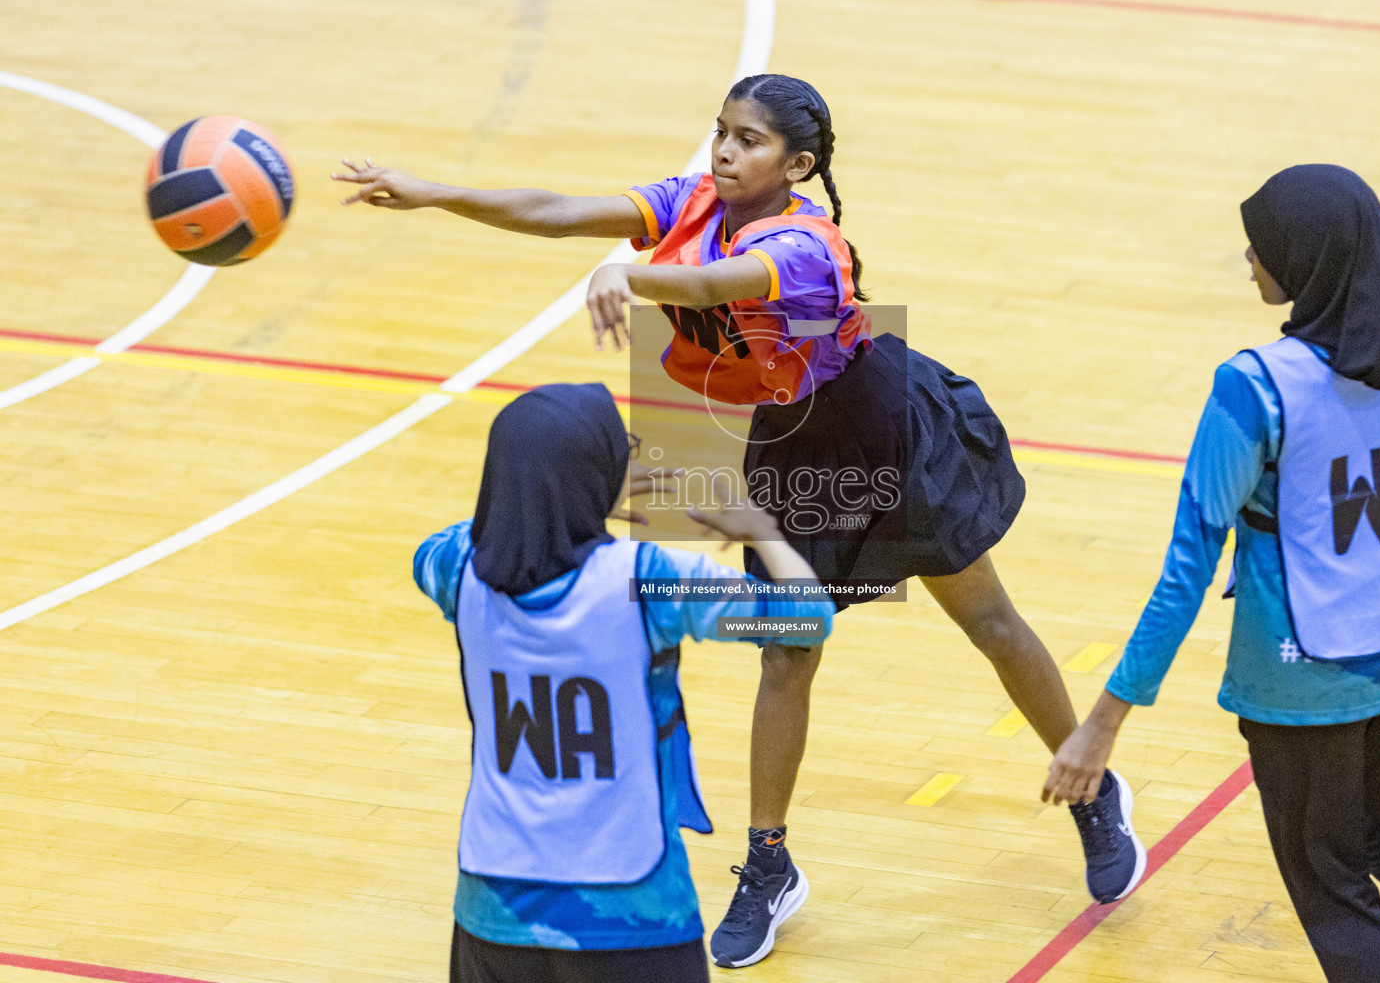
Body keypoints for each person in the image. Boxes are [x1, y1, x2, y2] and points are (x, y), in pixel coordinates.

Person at [337, 73, 1144, 969]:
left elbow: (719, 281)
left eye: (748, 140)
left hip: (879, 427)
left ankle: (1092, 791)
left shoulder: (804, 242)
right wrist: (433, 192)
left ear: (795, 164)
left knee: (987, 619)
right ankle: (769, 862)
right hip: (787, 439)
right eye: (720, 132)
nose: (724, 151)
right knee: (787, 646)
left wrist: (625, 272)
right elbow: (558, 207)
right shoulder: (690, 203)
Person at [1042, 164, 1380, 982]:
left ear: (1309, 262)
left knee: (1331, 883)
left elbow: (1185, 572)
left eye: (1263, 243)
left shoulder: (1256, 387)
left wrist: (1102, 724)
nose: (1247, 256)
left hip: (1303, 683)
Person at [413, 381, 837, 983]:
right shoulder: (652, 584)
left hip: (493, 908)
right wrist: (760, 531)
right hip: (632, 915)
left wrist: (554, 496)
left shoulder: (456, 569)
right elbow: (806, 619)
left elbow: (459, 537)